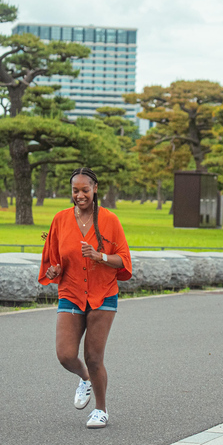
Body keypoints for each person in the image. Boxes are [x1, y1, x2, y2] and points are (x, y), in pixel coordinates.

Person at [39, 167, 132, 429]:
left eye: (85, 190)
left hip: (103, 293)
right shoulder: (60, 219)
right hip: (71, 292)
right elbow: (54, 260)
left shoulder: (110, 220)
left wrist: (99, 255)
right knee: (66, 355)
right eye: (75, 190)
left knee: (93, 357)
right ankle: (85, 379)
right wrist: (54, 270)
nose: (79, 195)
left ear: (95, 189)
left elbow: (124, 261)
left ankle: (101, 410)